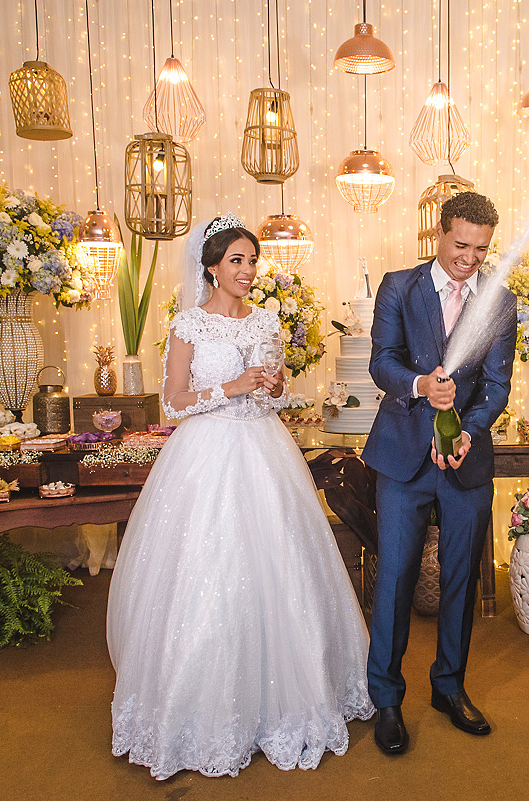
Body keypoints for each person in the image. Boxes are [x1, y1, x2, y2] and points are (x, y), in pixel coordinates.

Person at [106, 214, 374, 780]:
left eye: (253, 260)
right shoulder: (188, 326)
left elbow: (269, 395)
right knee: (207, 572)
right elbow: (173, 404)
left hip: (262, 450)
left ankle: (286, 699)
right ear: (211, 266)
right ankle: (199, 711)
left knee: (281, 568)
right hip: (204, 457)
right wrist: (229, 386)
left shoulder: (266, 322)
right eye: (237, 260)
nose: (248, 270)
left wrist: (275, 388)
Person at [360, 192, 516, 754]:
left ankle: (448, 688)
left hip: (465, 462)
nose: (470, 258)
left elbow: (497, 384)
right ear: (439, 233)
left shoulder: (499, 301)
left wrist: (469, 429)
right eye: (460, 244)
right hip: (402, 458)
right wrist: (420, 385)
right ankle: (387, 698)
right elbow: (382, 361)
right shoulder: (399, 286)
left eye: (481, 248)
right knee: (396, 579)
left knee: (459, 581)